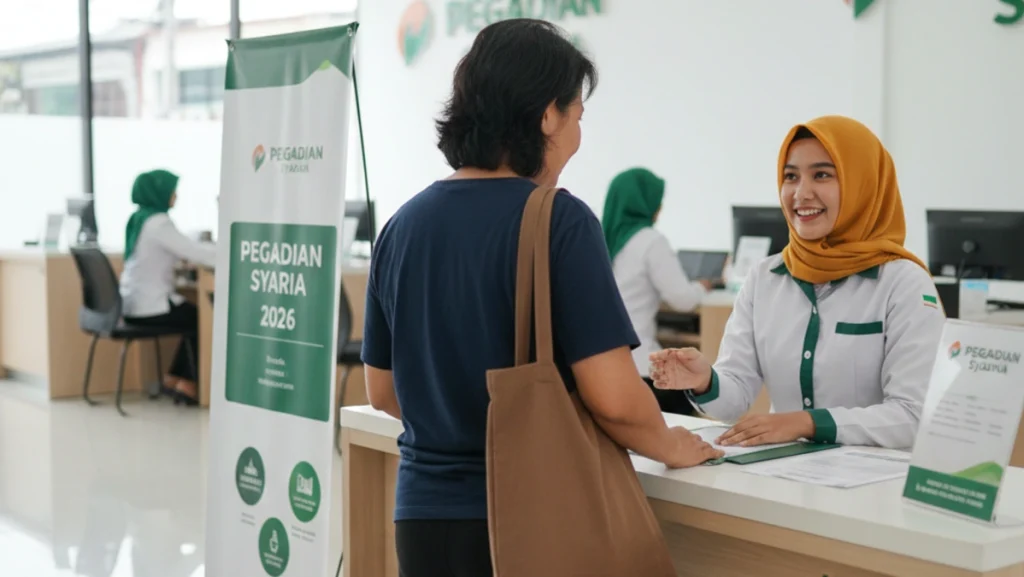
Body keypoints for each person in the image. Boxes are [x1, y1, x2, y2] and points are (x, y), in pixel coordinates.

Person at [360, 19, 722, 577]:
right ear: (547, 115)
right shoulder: (558, 220)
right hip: (532, 515)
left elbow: (382, 390)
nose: (579, 133)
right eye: (578, 114)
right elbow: (613, 397)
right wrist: (668, 444)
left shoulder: (401, 226)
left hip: (422, 518)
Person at [650, 115, 945, 450]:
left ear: (862, 185)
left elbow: (913, 416)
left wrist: (806, 423)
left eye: (822, 175)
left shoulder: (903, 283)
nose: (801, 193)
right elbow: (734, 400)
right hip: (787, 478)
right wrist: (706, 381)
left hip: (875, 486)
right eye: (791, 176)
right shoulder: (764, 278)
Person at [602, 167, 711, 415]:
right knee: (694, 399)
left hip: (600, 373)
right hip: (640, 373)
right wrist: (701, 287)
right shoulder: (650, 241)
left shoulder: (598, 237)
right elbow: (683, 300)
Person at [120, 169, 216, 405]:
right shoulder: (158, 223)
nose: (176, 196)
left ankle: (173, 378)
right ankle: (188, 383)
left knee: (192, 316)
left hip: (132, 305)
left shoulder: (140, 218)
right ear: (159, 192)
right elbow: (195, 252)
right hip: (150, 307)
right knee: (201, 318)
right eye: (173, 191)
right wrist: (235, 251)